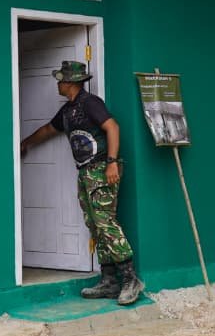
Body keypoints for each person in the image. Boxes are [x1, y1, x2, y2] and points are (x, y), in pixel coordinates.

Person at [20, 60, 144, 305]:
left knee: (105, 222)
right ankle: (109, 281)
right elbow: (48, 130)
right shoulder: (68, 110)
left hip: (101, 169)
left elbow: (113, 127)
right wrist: (25, 143)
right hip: (86, 172)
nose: (58, 84)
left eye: (60, 79)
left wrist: (111, 162)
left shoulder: (90, 103)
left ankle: (131, 279)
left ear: (70, 82)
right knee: (94, 225)